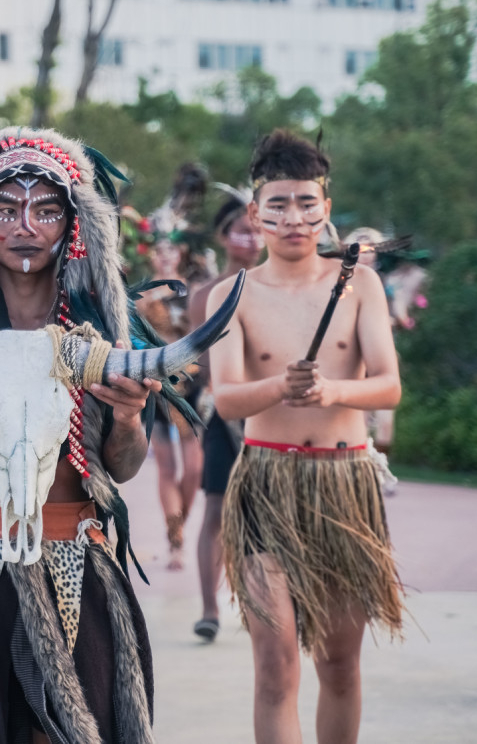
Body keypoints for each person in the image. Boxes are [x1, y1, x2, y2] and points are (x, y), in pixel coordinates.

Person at [0, 128, 212, 743]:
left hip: (75, 556)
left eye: (46, 209)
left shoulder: (104, 324)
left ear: (71, 223)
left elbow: (123, 466)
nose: (26, 225)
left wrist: (131, 418)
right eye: (5, 209)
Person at [206, 129, 403, 744]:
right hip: (265, 485)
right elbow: (227, 398)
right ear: (254, 213)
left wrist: (333, 392)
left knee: (339, 663)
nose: (295, 218)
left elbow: (390, 386)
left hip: (345, 486)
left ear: (326, 205)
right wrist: (279, 389)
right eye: (280, 204)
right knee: (276, 665)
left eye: (307, 203)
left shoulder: (359, 285)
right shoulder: (231, 295)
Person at [190, 189, 264, 641]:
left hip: (272, 411)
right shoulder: (207, 295)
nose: (251, 238)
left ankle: (264, 602)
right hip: (223, 412)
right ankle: (209, 607)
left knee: (268, 509)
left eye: (257, 229)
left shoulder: (279, 288)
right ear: (223, 236)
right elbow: (199, 362)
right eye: (241, 229)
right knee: (216, 507)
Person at [135, 237, 202, 570]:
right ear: (152, 256)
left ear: (180, 253)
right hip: (159, 384)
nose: (165, 256)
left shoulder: (194, 290)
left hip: (194, 382)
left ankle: (178, 524)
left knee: (194, 468)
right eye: (159, 250)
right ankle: (175, 540)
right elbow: (135, 338)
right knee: (168, 467)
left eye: (171, 250)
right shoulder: (141, 295)